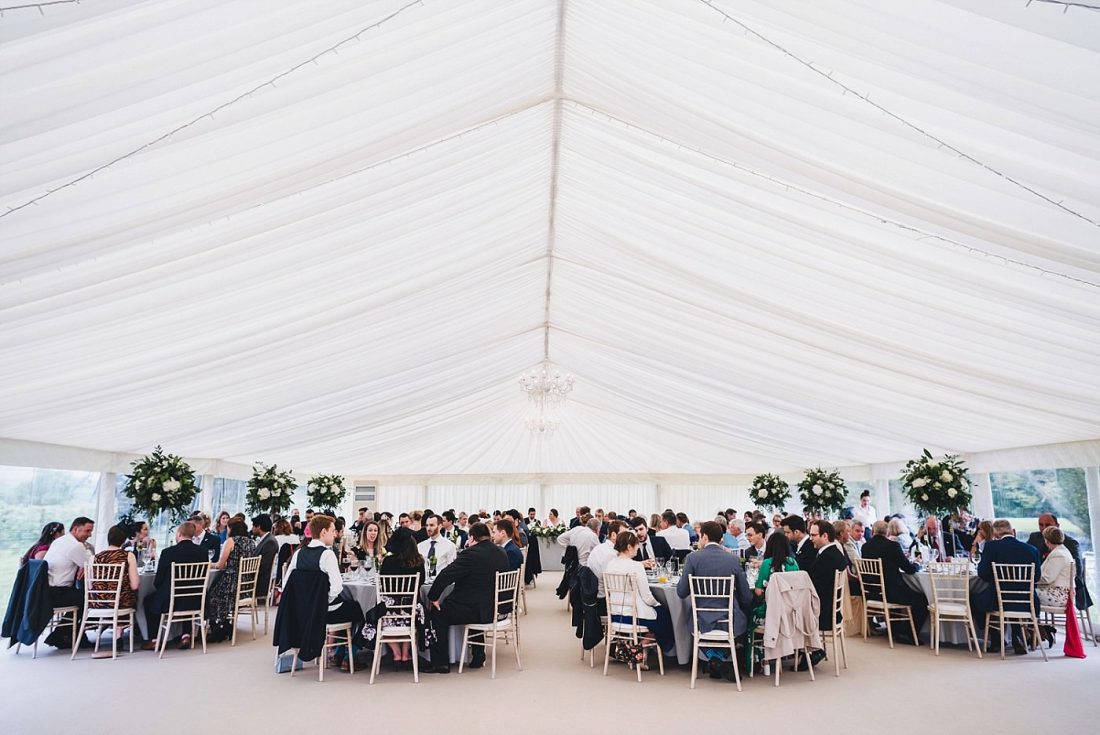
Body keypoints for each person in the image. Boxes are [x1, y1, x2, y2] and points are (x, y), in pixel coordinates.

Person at [424, 522, 510, 673]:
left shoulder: (470, 554)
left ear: (471, 537)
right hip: (495, 609)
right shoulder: (501, 552)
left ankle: (441, 663)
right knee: (474, 602)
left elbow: (445, 576)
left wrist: (433, 597)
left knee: (437, 613)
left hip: (475, 611)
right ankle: (478, 655)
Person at [677, 521, 751, 680]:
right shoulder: (732, 560)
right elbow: (746, 596)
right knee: (744, 615)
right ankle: (720, 659)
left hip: (700, 620)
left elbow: (681, 592)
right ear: (721, 539)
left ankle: (713, 658)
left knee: (686, 618)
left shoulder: (692, 558)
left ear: (704, 536)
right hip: (728, 619)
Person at [605, 530, 675, 661]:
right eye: (636, 545)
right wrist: (659, 604)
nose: (638, 548)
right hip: (634, 615)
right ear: (629, 547)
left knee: (659, 618)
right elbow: (647, 597)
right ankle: (640, 647)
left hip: (616, 614)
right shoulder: (636, 566)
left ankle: (640, 653)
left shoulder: (610, 564)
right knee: (665, 615)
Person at [139, 521, 209, 650]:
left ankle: (154, 639)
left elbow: (158, 581)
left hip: (172, 600)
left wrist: (162, 588)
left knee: (148, 600)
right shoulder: (203, 552)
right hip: (195, 600)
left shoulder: (168, 552)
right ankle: (186, 635)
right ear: (192, 535)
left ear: (179, 534)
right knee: (187, 594)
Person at [977, 519, 1041, 655]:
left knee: (976, 598)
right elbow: (1036, 578)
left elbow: (982, 573)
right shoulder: (1032, 550)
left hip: (999, 599)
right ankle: (1017, 637)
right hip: (1027, 601)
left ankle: (996, 639)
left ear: (995, 534)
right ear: (1013, 532)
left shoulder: (991, 547)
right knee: (1011, 599)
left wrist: (996, 581)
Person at [861, 520, 927, 646]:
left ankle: (898, 630)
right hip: (890, 593)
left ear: (873, 531)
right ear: (887, 532)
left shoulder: (865, 547)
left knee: (909, 594)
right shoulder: (893, 546)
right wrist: (917, 563)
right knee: (921, 600)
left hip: (872, 592)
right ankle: (907, 633)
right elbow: (909, 569)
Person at [42, 517, 94, 648]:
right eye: (87, 531)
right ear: (76, 529)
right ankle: (71, 636)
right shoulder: (75, 546)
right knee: (92, 598)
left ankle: (62, 635)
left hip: (46, 592)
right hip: (58, 593)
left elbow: (86, 564)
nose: (90, 535)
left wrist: (83, 566)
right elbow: (94, 566)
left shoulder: (59, 541)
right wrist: (84, 565)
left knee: (83, 597)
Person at [379, 527, 426, 669]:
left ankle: (396, 652)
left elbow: (382, 583)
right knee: (412, 616)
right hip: (412, 610)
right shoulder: (419, 562)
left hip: (389, 610)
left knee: (375, 616)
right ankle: (406, 653)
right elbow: (422, 582)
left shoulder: (388, 561)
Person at [1026, 513, 1093, 612]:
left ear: (1057, 525)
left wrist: (1029, 578)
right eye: (1041, 524)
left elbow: (1077, 571)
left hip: (1059, 588)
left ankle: (1031, 625)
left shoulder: (1069, 545)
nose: (1043, 528)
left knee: (1021, 594)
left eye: (1048, 525)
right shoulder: (1035, 538)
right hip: (1045, 584)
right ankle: (1036, 625)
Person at [205, 518, 258, 642]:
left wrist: (209, 564)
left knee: (211, 595)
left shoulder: (231, 541)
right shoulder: (251, 542)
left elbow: (220, 565)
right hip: (246, 586)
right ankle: (226, 624)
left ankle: (218, 628)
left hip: (231, 583)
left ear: (231, 529)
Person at [807, 520, 847, 666]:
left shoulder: (827, 557)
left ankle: (812, 650)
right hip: (830, 607)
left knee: (791, 610)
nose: (810, 538)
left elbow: (815, 585)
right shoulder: (834, 552)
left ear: (825, 536)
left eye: (813, 535)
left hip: (824, 611)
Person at [90, 525, 140, 640]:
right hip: (120, 602)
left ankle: (109, 625)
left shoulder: (94, 558)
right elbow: (135, 585)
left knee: (120, 597)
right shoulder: (128, 556)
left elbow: (90, 585)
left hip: (98, 603)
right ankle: (119, 632)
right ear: (124, 540)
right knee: (131, 596)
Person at [251, 514, 278, 598]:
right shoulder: (266, 539)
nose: (252, 528)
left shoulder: (270, 542)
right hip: (258, 580)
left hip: (260, 583)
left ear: (258, 526)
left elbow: (264, 566)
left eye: (253, 526)